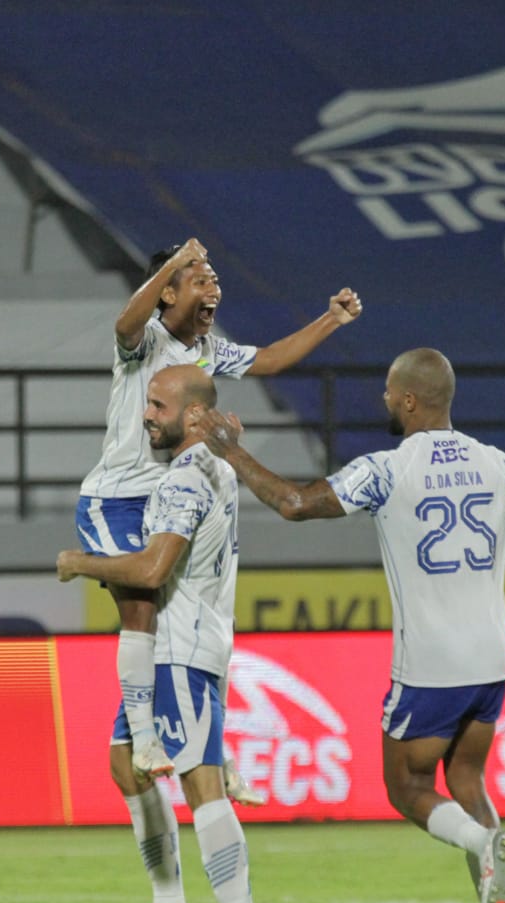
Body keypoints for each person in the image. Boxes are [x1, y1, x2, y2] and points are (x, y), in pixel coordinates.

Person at [196, 346, 505, 903]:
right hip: (492, 658)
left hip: (430, 663)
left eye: (391, 392)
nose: (385, 400)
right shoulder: (499, 461)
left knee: (408, 788)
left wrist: (230, 451)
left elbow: (294, 504)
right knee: (467, 780)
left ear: (411, 399)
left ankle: (483, 844)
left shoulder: (387, 468)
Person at [75, 236, 361, 797]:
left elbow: (272, 358)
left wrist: (330, 320)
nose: (215, 290)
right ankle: (144, 737)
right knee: (141, 611)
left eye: (215, 280)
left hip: (167, 503)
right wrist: (172, 265)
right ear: (169, 292)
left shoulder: (208, 350)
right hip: (115, 500)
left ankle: (211, 751)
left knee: (204, 621)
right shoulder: (146, 340)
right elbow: (124, 322)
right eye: (201, 280)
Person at [59, 365, 264, 903]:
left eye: (157, 405)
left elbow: (152, 570)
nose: (146, 415)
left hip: (179, 650)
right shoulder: (217, 467)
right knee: (125, 764)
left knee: (203, 786)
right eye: (146, 403)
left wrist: (82, 563)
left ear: (193, 417)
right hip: (191, 645)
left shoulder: (181, 481)